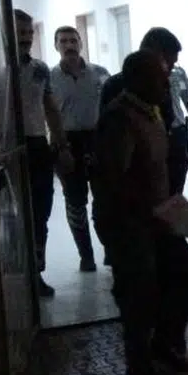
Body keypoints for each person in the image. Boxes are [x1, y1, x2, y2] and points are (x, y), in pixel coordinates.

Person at [95, 50, 188, 375]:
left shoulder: (152, 111)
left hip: (158, 216)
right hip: (129, 223)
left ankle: (164, 342)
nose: (166, 82)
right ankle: (138, 370)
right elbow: (113, 181)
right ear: (138, 80)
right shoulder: (120, 119)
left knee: (187, 275)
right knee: (139, 295)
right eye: (160, 76)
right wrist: (146, 215)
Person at [14, 9, 72, 297]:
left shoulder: (39, 69)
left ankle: (36, 273)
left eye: (28, 33)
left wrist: (61, 145)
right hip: (9, 148)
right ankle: (14, 277)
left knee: (40, 213)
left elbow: (50, 108)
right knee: (13, 215)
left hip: (37, 145)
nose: (25, 38)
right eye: (20, 33)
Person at [100, 27, 188, 197]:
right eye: (168, 65)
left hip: (167, 157)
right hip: (133, 191)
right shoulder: (115, 91)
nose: (168, 74)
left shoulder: (161, 87)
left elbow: (166, 120)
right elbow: (113, 168)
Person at [50, 26, 111, 271]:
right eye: (63, 41)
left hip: (96, 140)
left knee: (104, 198)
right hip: (66, 142)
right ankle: (86, 255)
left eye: (73, 40)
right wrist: (60, 146)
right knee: (75, 201)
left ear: (81, 44)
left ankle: (110, 248)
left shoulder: (100, 74)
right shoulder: (50, 78)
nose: (69, 45)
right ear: (56, 46)